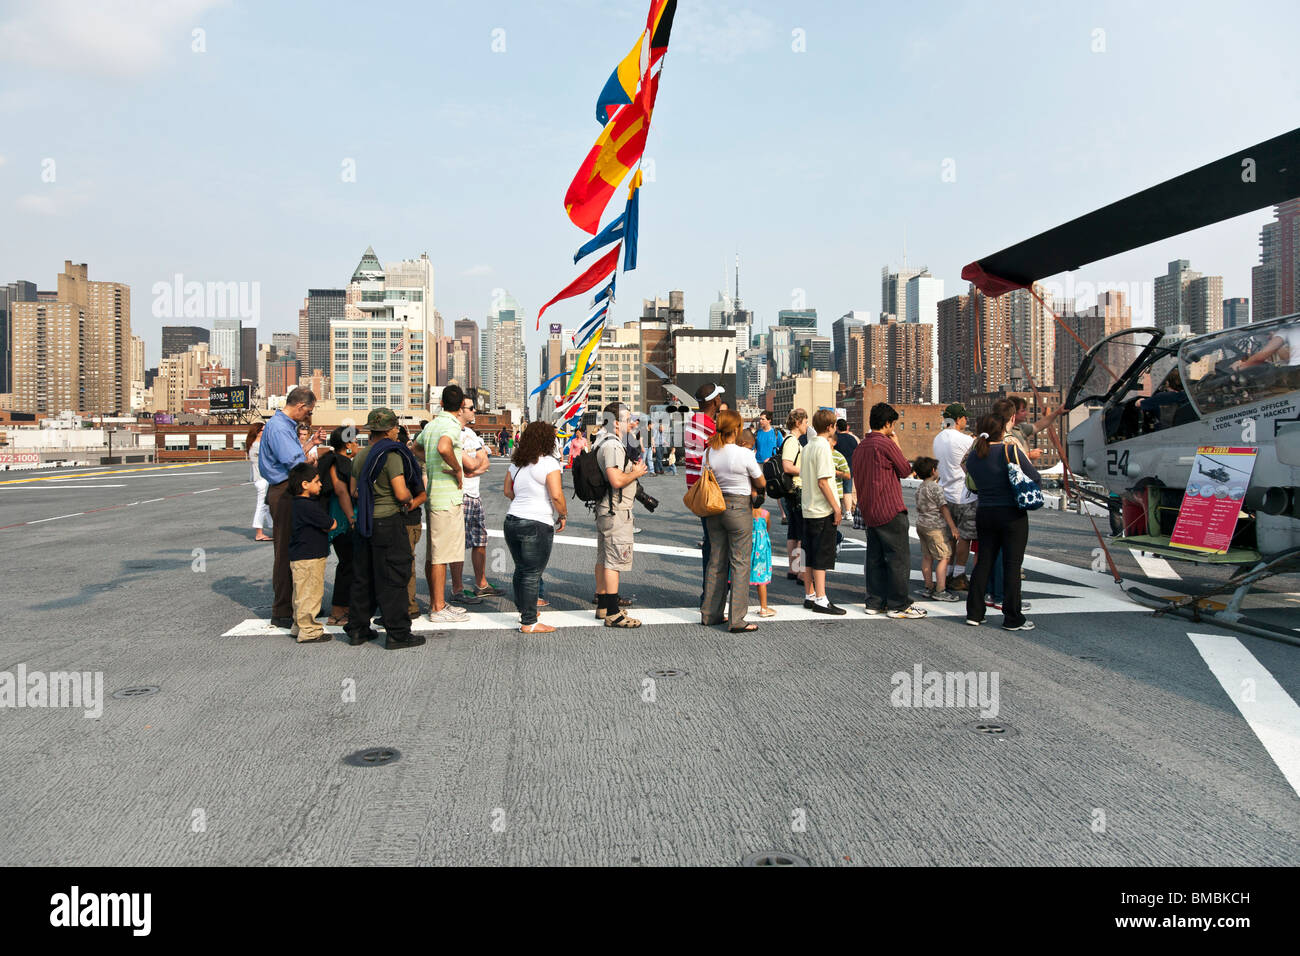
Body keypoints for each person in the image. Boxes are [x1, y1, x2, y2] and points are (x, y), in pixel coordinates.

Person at [348, 407, 425, 650]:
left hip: (365, 524)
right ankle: (398, 634)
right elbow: (402, 493)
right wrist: (412, 501)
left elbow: (354, 491)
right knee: (394, 578)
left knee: (364, 577)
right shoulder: (391, 455)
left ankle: (358, 629)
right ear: (391, 430)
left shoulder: (361, 456)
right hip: (389, 523)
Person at [963, 414, 1040, 631]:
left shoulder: (974, 457)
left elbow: (973, 484)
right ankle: (1012, 617)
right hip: (1011, 513)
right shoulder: (1010, 450)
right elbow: (1034, 476)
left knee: (983, 562)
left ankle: (974, 613)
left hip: (985, 512)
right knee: (1012, 566)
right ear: (1001, 431)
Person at [258, 386, 325, 629]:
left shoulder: (283, 426)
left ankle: (296, 604)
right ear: (299, 406)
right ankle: (283, 609)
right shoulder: (278, 427)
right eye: (308, 410)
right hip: (285, 490)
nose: (308, 415)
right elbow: (294, 462)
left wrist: (308, 445)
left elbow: (293, 454)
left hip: (287, 488)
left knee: (294, 548)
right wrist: (314, 468)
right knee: (287, 551)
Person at [853, 402, 926, 620]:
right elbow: (905, 470)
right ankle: (898, 604)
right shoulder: (885, 444)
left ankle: (874, 601)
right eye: (893, 424)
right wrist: (897, 444)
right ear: (887, 424)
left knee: (874, 557)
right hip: (889, 508)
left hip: (869, 509)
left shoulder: (860, 447)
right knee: (898, 558)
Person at [700, 410, 766, 631]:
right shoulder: (743, 454)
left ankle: (710, 613)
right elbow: (761, 481)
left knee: (716, 561)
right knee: (740, 563)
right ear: (737, 429)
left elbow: (704, 478)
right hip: (738, 507)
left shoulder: (709, 453)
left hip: (714, 507)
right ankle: (736, 619)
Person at [504, 421, 567, 633]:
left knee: (521, 569)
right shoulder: (549, 463)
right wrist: (563, 514)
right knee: (532, 572)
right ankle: (529, 622)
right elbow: (556, 495)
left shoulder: (516, 463)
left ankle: (525, 610)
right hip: (537, 522)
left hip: (513, 519)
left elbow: (507, 491)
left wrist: (522, 499)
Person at [417, 385, 470, 624]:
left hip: (433, 495)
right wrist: (457, 470)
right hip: (447, 497)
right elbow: (444, 447)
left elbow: (415, 447)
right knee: (441, 555)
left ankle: (436, 602)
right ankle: (438, 607)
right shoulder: (450, 425)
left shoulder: (432, 425)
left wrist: (430, 460)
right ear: (460, 407)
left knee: (434, 554)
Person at [594, 402, 648, 627]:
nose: (630, 423)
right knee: (614, 561)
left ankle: (604, 606)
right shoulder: (614, 446)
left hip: (606, 508)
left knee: (605, 558)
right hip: (616, 510)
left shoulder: (601, 440)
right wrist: (635, 473)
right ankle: (614, 613)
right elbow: (615, 479)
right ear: (616, 423)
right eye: (626, 419)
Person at [798, 408, 846, 615]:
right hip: (822, 509)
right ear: (830, 427)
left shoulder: (807, 447)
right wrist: (836, 508)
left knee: (808, 554)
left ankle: (809, 596)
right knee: (821, 556)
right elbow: (824, 481)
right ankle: (821, 598)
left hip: (808, 507)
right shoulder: (825, 448)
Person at [453, 394, 496, 602]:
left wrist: (474, 468)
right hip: (459, 495)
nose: (475, 412)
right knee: (458, 544)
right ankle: (458, 589)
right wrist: (473, 464)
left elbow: (484, 462)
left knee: (480, 540)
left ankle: (481, 583)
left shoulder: (470, 433)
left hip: (475, 494)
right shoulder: (451, 433)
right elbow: (469, 463)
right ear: (460, 409)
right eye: (471, 408)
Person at [287, 462, 335, 644]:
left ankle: (298, 626)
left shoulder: (295, 504)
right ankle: (309, 630)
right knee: (311, 593)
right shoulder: (309, 506)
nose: (320, 484)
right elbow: (331, 524)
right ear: (305, 485)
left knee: (300, 594)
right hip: (310, 556)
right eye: (316, 481)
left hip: (300, 555)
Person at [316, 426, 359, 625]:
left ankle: (342, 608)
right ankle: (338, 611)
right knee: (347, 565)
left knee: (347, 564)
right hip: (342, 520)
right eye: (355, 441)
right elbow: (341, 491)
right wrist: (351, 518)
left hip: (338, 517)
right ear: (347, 445)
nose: (357, 444)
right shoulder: (338, 462)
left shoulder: (331, 460)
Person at [932, 402, 976, 593]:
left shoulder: (937, 438)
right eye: (964, 417)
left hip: (944, 493)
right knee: (965, 537)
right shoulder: (965, 440)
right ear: (958, 419)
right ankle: (959, 575)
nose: (966, 420)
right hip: (963, 495)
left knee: (949, 538)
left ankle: (947, 573)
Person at [686, 383, 724, 592]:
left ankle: (709, 594)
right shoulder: (709, 427)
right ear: (715, 401)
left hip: (696, 489)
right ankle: (711, 595)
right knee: (715, 546)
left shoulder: (693, 422)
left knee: (710, 542)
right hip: (711, 491)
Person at [912, 456, 961, 602]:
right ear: (933, 470)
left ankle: (928, 586)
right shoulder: (936, 487)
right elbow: (943, 508)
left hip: (921, 524)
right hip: (935, 526)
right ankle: (940, 589)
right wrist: (953, 527)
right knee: (944, 557)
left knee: (927, 556)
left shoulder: (920, 488)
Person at [739, 431, 776, 618]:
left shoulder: (744, 514)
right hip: (761, 549)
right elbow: (767, 531)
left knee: (739, 576)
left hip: (745, 546)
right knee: (761, 580)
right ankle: (763, 607)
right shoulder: (765, 514)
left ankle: (738, 607)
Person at [396, 426, 428, 619]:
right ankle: (406, 605)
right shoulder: (406, 460)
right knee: (405, 563)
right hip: (404, 519)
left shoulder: (408, 462)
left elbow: (421, 493)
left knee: (405, 562)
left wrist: (407, 506)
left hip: (407, 519)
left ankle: (409, 605)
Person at [780, 409, 809, 586]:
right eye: (805, 422)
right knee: (801, 533)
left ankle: (793, 569)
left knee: (794, 532)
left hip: (792, 491)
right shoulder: (792, 441)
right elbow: (787, 466)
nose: (807, 425)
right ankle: (799, 571)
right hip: (797, 489)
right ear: (798, 423)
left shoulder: (790, 440)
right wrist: (807, 470)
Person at [247, 422, 273, 542]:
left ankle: (274, 528)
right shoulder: (258, 446)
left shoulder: (253, 445)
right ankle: (259, 533)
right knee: (262, 506)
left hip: (260, 479)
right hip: (262, 479)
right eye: (263, 430)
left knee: (267, 507)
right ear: (257, 432)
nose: (265, 432)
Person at [834, 418, 860, 526]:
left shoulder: (835, 439)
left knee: (836, 490)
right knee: (847, 491)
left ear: (837, 427)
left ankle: (837, 510)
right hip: (850, 468)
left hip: (837, 468)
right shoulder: (852, 439)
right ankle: (848, 512)